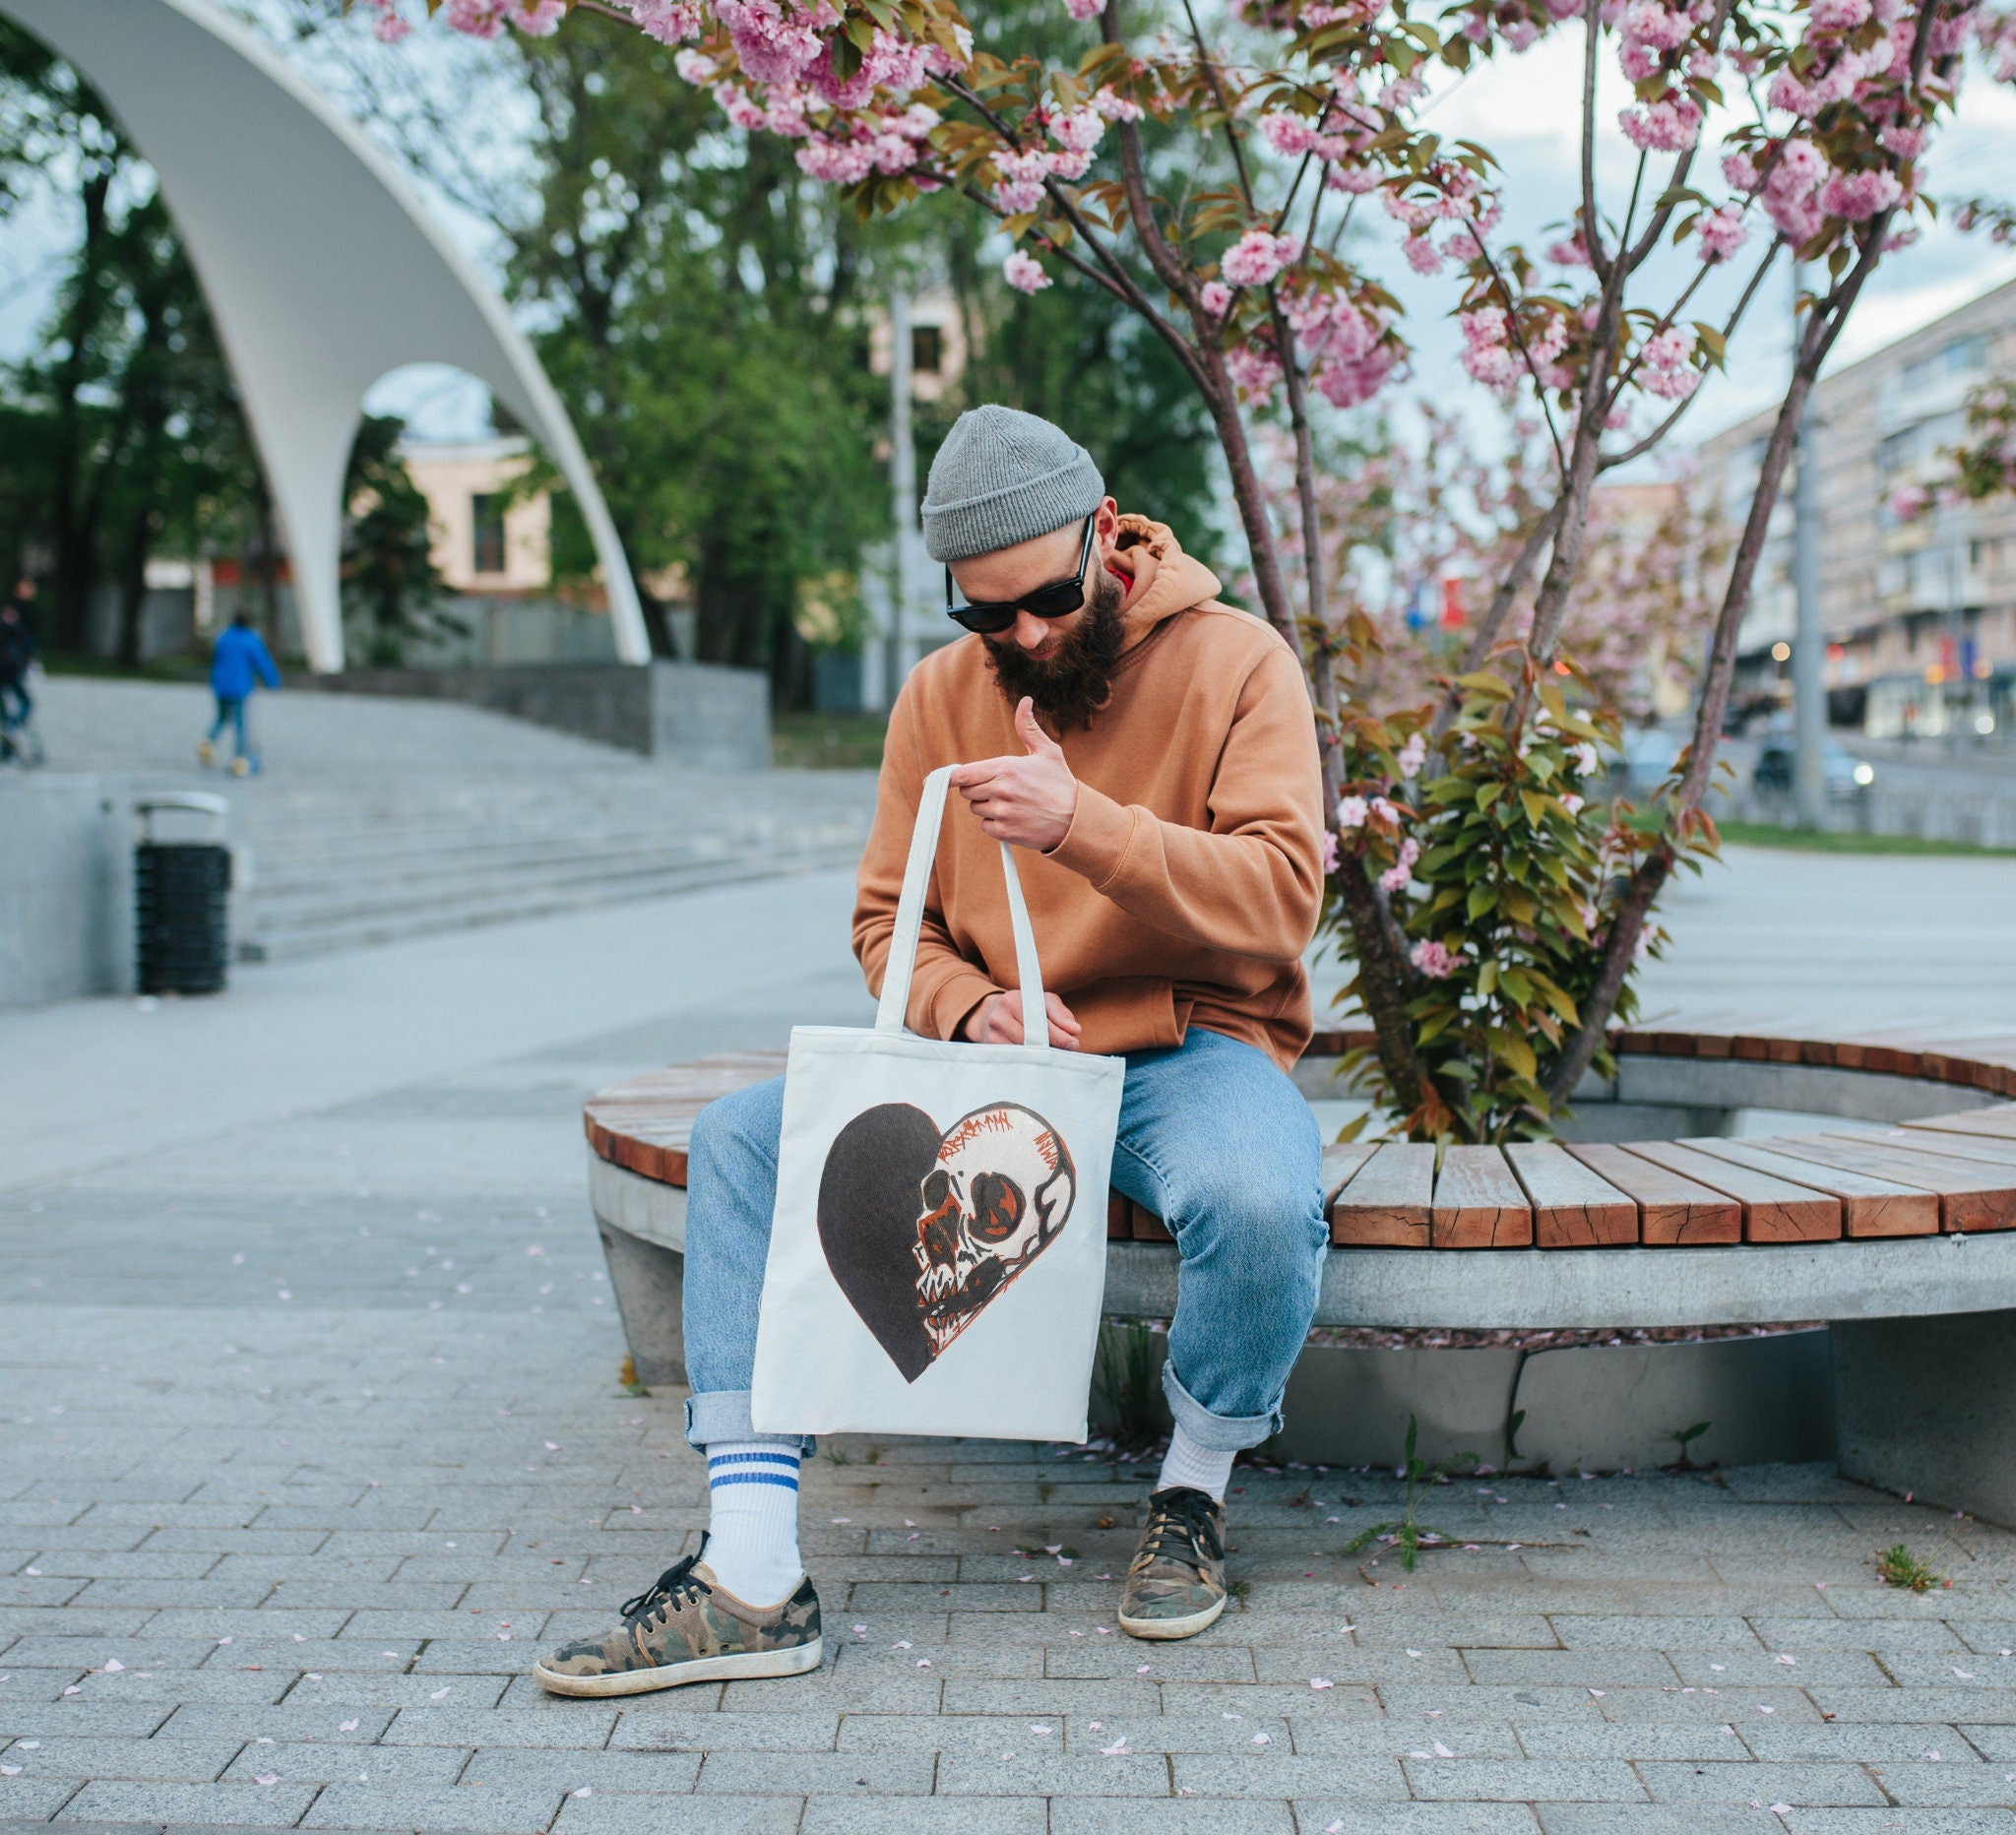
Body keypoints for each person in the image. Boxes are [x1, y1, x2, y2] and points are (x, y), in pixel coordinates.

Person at [535, 406, 1327, 1698]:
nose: (1021, 637)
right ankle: (748, 1573)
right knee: (740, 1141)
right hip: (1000, 1058)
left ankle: (1194, 1488)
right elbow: (882, 920)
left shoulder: (1241, 663)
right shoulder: (941, 699)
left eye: (1047, 600)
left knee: (1256, 1198)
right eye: (984, 616)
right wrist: (973, 1009)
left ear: (1106, 530)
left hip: (1189, 1045)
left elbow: (1281, 900)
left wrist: (1087, 826)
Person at [200, 611, 281, 775]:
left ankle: (208, 741)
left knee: (221, 718)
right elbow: (262, 662)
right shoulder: (251, 640)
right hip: (239, 687)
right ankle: (239, 759)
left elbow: (215, 658)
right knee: (240, 724)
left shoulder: (223, 637)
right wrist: (273, 682)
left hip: (220, 685)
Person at [0, 580, 36, 760]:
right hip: (9, 665)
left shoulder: (19, 609)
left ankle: (6, 748)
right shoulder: (14, 609)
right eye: (27, 586)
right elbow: (21, 637)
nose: (30, 590)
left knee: (6, 706)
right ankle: (11, 729)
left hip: (11, 664)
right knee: (25, 703)